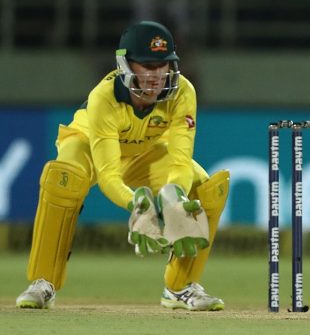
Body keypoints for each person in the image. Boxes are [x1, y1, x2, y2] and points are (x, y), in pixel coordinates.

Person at [15, 21, 230, 311]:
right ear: (126, 65)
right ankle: (43, 282)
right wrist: (136, 203)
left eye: (163, 65)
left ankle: (180, 288)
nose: (156, 76)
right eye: (146, 65)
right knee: (64, 178)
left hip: (145, 151)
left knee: (205, 188)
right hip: (88, 146)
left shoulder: (183, 93)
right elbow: (108, 175)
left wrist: (174, 195)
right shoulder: (103, 97)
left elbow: (180, 160)